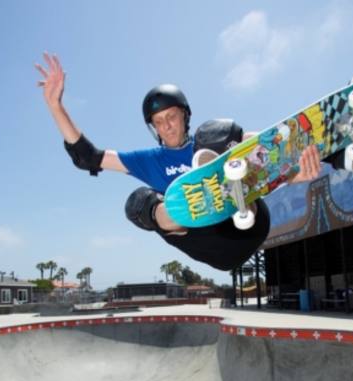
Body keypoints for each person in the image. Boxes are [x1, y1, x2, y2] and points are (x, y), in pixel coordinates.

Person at [35, 52, 322, 271]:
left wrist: (292, 171)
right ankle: (201, 200)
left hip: (249, 226)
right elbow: (88, 158)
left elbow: (261, 142)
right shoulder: (148, 160)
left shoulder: (207, 139)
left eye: (171, 116)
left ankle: (236, 189)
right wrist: (55, 106)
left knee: (218, 136)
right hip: (208, 244)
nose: (167, 126)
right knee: (139, 203)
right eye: (159, 122)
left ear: (184, 115)